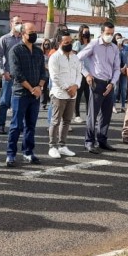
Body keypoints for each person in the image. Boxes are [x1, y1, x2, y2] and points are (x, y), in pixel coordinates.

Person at [6, 23, 47, 167]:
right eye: (31, 32)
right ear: (23, 33)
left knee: (31, 125)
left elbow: (43, 71)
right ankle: (11, 154)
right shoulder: (15, 50)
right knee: (16, 126)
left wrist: (39, 87)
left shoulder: (38, 51)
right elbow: (17, 74)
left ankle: (28, 152)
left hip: (35, 95)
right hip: (20, 94)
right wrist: (31, 88)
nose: (34, 35)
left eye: (35, 32)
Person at [77, 21, 120, 154]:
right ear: (102, 32)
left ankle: (102, 140)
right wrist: (87, 74)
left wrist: (112, 83)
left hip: (109, 84)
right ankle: (89, 142)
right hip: (96, 82)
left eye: (112, 34)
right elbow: (78, 59)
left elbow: (117, 68)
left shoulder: (114, 47)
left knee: (106, 114)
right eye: (107, 33)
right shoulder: (94, 44)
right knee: (93, 114)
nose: (109, 36)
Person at [47, 30, 81, 159]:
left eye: (70, 42)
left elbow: (79, 73)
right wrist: (68, 88)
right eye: (66, 42)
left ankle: (62, 145)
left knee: (67, 121)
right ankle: (52, 146)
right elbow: (54, 77)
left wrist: (76, 86)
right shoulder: (54, 57)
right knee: (55, 121)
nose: (69, 44)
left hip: (72, 94)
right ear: (60, 43)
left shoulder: (75, 57)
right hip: (59, 94)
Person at [0, 15, 23, 134]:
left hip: (20, 77)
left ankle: (17, 125)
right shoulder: (4, 39)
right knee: (4, 101)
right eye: (17, 22)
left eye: (21, 23)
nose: (19, 25)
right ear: (11, 24)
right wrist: (2, 72)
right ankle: (1, 125)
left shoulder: (24, 39)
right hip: (8, 75)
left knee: (19, 102)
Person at [73, 24, 92, 123]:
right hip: (80, 72)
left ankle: (89, 114)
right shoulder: (77, 43)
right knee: (79, 95)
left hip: (89, 72)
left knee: (89, 95)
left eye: (88, 31)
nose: (87, 33)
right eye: (85, 31)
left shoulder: (90, 44)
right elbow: (75, 58)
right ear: (81, 32)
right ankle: (77, 115)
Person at [113, 33, 128, 114]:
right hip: (116, 71)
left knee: (124, 89)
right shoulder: (113, 48)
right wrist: (118, 49)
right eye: (117, 38)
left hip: (124, 71)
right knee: (116, 89)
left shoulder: (127, 48)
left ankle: (123, 106)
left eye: (120, 38)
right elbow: (113, 60)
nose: (119, 39)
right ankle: (113, 106)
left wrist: (124, 68)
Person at [40, 38, 54, 110]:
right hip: (44, 73)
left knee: (51, 89)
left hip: (52, 73)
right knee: (43, 89)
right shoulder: (41, 53)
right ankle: (43, 104)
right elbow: (40, 63)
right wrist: (47, 67)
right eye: (45, 44)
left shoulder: (52, 52)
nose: (47, 45)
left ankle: (52, 103)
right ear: (43, 45)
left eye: (48, 44)